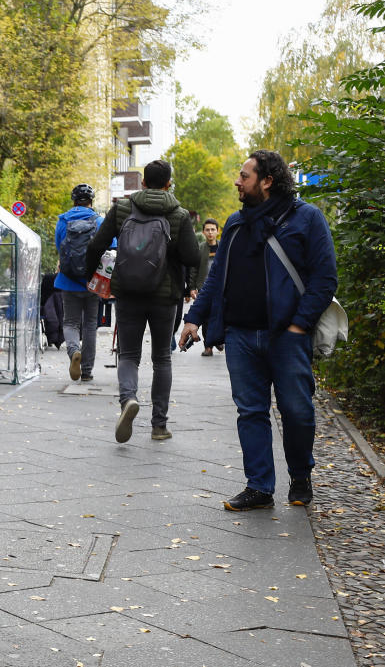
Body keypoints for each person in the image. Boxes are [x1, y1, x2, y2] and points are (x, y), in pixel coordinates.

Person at [180, 151, 336, 512]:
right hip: (240, 336)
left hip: (287, 336)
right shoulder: (236, 223)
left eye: (244, 175)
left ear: (267, 180)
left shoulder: (306, 219)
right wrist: (194, 317)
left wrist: (299, 325)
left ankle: (300, 475)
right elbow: (217, 278)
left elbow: (325, 277)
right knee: (250, 411)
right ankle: (259, 487)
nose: (238, 181)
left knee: (297, 411)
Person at [85, 161, 200, 443]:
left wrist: (93, 276)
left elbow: (96, 245)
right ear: (168, 184)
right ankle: (159, 426)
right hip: (165, 296)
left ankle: (128, 400)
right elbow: (192, 257)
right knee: (161, 358)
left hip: (128, 292)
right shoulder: (179, 214)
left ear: (143, 183)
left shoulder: (123, 208)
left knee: (128, 355)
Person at [54, 183, 102, 382]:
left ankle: (74, 350)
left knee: (71, 322)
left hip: (68, 280)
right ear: (91, 201)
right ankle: (87, 370)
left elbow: (59, 247)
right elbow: (110, 247)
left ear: (73, 200)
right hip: (93, 281)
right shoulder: (99, 221)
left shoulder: (63, 220)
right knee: (90, 324)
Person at [191, 218, 220, 355]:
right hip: (204, 288)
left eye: (213, 229)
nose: (210, 233)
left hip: (221, 287)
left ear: (217, 231)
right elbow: (194, 269)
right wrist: (192, 287)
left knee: (220, 315)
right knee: (206, 318)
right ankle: (208, 346)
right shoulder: (200, 248)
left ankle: (219, 340)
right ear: (203, 232)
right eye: (207, 230)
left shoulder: (223, 247)